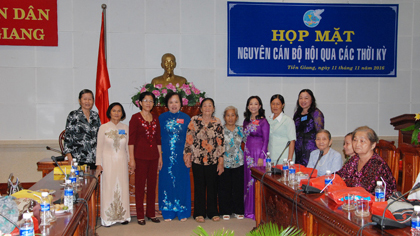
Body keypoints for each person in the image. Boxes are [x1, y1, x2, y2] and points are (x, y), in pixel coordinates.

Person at [184, 98, 225, 223]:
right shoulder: (194, 120)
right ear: (201, 108)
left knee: (212, 187)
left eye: (210, 106)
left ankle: (213, 212)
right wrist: (187, 156)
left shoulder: (217, 122)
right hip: (197, 159)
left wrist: (221, 161)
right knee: (199, 187)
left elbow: (221, 142)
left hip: (212, 160)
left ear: (213, 109)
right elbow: (189, 139)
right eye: (205, 106)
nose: (207, 108)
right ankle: (199, 213)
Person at [96, 103, 133, 226]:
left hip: (122, 161)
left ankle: (123, 216)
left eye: (119, 111)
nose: (116, 113)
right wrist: (98, 164)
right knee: (108, 187)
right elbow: (99, 148)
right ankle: (108, 218)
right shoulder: (103, 127)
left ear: (122, 113)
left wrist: (130, 161)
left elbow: (128, 147)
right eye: (114, 110)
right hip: (107, 162)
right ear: (109, 113)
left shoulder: (126, 128)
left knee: (122, 187)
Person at [336, 126, 397, 200]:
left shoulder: (377, 164)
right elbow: (338, 176)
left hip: (374, 205)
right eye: (355, 140)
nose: (357, 144)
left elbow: (365, 189)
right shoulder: (354, 159)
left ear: (373, 145)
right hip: (354, 201)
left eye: (362, 141)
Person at [129, 91, 162, 225]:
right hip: (140, 157)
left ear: (153, 104)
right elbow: (131, 140)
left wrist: (160, 157)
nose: (148, 103)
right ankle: (140, 215)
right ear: (140, 103)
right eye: (146, 100)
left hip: (154, 156)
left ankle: (151, 213)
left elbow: (158, 139)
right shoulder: (135, 118)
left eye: (151, 101)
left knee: (152, 185)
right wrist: (131, 159)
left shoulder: (155, 118)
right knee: (140, 186)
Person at [158, 92, 191, 222]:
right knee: (166, 181)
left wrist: (188, 155)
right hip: (166, 155)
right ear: (167, 104)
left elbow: (190, 139)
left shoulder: (186, 118)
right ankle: (168, 210)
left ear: (181, 104)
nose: (174, 105)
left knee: (182, 181)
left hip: (182, 156)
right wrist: (159, 155)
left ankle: (182, 210)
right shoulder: (162, 117)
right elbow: (157, 138)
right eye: (171, 102)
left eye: (176, 102)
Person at [243, 96, 269, 220]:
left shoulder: (264, 122)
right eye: (251, 104)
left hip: (258, 154)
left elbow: (266, 140)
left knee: (256, 181)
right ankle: (248, 209)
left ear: (260, 106)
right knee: (247, 180)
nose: (253, 106)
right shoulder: (246, 121)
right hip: (247, 154)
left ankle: (256, 211)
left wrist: (261, 157)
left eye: (256, 104)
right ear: (248, 106)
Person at [63, 89, 101, 168]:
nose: (87, 101)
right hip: (78, 158)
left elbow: (99, 136)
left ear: (93, 101)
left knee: (93, 180)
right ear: (79, 100)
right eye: (85, 99)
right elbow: (68, 137)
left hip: (94, 159)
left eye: (90, 99)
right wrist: (69, 157)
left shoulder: (95, 116)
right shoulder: (73, 115)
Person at [219, 106, 245, 220]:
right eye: (228, 115)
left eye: (233, 115)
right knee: (225, 188)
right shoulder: (220, 130)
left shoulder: (241, 130)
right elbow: (218, 147)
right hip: (224, 163)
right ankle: (226, 211)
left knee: (238, 188)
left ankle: (238, 210)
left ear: (237, 117)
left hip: (239, 162)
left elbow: (249, 143)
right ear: (224, 117)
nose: (230, 118)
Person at [293, 89, 324, 167]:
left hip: (311, 151)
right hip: (298, 151)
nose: (303, 100)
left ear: (311, 100)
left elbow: (320, 133)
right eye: (301, 98)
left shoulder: (316, 113)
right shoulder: (297, 114)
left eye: (306, 98)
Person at [267, 94, 296, 164]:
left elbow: (292, 141)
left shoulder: (288, 120)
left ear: (283, 105)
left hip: (284, 158)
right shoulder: (268, 120)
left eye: (278, 104)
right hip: (271, 157)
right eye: (273, 104)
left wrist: (289, 160)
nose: (275, 106)